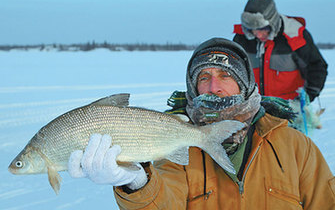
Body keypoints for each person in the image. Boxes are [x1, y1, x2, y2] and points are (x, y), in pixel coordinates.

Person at [68, 38, 335, 209]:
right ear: (193, 87)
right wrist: (137, 183)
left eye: (225, 75)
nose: (214, 86)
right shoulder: (173, 145)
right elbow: (163, 202)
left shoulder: (298, 148)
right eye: (204, 77)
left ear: (244, 84)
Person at [233, 0, 328, 101]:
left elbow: (316, 67)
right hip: (254, 107)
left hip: (289, 107)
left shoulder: (295, 35)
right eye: (252, 30)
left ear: (272, 21)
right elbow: (231, 72)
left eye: (263, 29)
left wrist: (306, 97)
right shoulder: (241, 39)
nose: (258, 35)